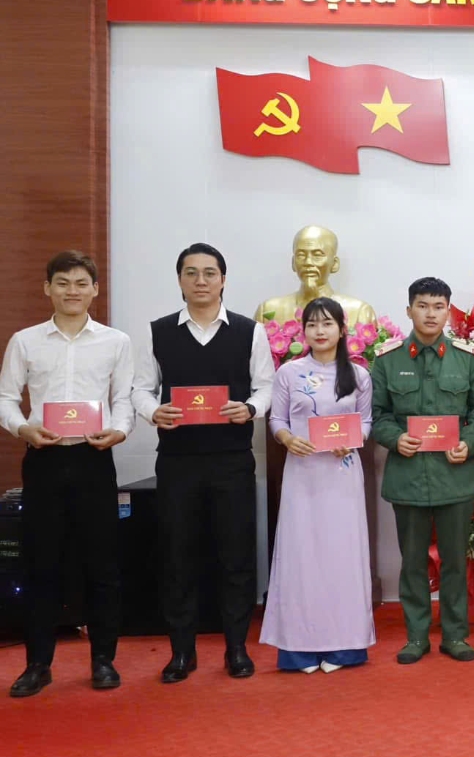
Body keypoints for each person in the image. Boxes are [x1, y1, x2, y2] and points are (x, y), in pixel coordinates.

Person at [131, 243, 275, 683]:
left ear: (223, 280)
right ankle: (182, 652)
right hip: (178, 461)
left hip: (232, 459)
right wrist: (152, 411)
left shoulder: (249, 331)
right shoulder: (158, 332)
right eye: (191, 273)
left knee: (236, 556)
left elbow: (266, 386)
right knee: (177, 557)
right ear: (179, 280)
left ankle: (236, 648)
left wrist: (250, 408)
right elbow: (140, 389)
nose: (200, 281)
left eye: (209, 273)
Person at [2, 252, 133, 697]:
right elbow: (5, 398)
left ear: (95, 289)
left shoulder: (116, 342)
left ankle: (103, 660)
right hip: (44, 459)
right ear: (48, 288)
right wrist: (23, 428)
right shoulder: (25, 341)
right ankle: (38, 664)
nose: (72, 291)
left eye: (81, 283)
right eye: (62, 282)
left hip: (94, 459)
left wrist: (119, 430)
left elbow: (123, 399)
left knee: (103, 564)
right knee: (41, 565)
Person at [369, 277, 474, 665]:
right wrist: (395, 439)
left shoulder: (467, 359)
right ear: (409, 310)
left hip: (455, 476)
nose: (430, 314)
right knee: (412, 563)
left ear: (448, 312)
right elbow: (376, 415)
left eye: (438, 307)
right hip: (408, 477)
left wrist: (468, 443)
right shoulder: (388, 360)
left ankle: (455, 635)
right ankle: (416, 637)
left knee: (455, 561)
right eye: (422, 306)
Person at [260, 298, 376, 673]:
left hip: (342, 474)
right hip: (303, 474)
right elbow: (277, 419)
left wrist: (353, 439)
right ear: (303, 331)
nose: (319, 331)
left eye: (327, 324)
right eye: (312, 324)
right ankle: (299, 650)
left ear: (342, 330)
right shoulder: (289, 373)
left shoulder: (358, 375)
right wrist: (287, 439)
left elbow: (366, 421)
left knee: (343, 556)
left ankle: (345, 647)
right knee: (301, 556)